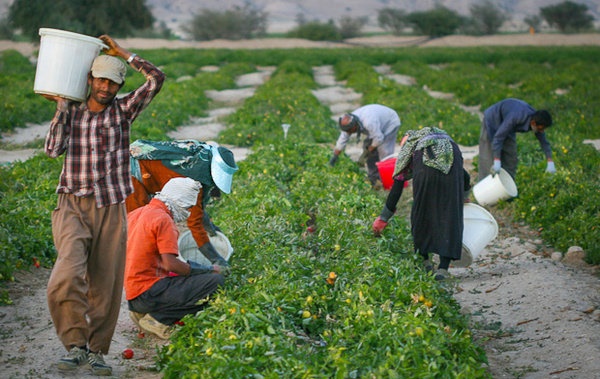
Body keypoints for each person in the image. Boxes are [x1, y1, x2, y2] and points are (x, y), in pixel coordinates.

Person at [43, 35, 165, 376]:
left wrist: (123, 54)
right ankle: (74, 343)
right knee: (65, 275)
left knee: (105, 283)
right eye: (100, 79)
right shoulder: (73, 111)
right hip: (71, 204)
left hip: (111, 206)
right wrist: (61, 108)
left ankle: (95, 350)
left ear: (118, 86)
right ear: (89, 79)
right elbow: (52, 151)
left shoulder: (124, 112)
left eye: (113, 82)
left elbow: (156, 78)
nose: (106, 87)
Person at [125, 177, 226, 340]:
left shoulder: (136, 214)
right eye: (187, 207)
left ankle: (141, 312)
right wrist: (207, 269)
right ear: (178, 201)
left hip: (133, 293)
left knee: (189, 278)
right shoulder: (163, 220)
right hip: (149, 292)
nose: (186, 212)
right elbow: (171, 264)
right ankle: (159, 320)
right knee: (215, 282)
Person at [371, 127, 471, 281]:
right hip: (454, 159)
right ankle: (443, 268)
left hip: (426, 170)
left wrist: (384, 217)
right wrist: (464, 196)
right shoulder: (444, 140)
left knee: (421, 212)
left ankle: (424, 261)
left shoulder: (411, 147)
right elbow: (464, 175)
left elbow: (397, 186)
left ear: (408, 141)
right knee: (450, 213)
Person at [126, 139, 238, 268]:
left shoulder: (201, 155)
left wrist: (210, 227)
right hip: (132, 175)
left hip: (139, 161)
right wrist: (217, 260)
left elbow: (198, 210)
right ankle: (139, 267)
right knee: (140, 223)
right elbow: (195, 224)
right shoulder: (194, 180)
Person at [478, 98, 554, 182]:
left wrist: (550, 161)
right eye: (541, 129)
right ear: (533, 123)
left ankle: (507, 187)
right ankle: (485, 186)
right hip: (492, 121)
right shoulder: (516, 117)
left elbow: (544, 142)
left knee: (511, 159)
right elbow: (498, 138)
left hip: (507, 126)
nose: (542, 131)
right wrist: (497, 160)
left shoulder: (537, 120)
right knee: (488, 159)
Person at [328, 104, 401, 188]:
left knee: (384, 152)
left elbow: (379, 138)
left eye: (350, 131)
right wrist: (335, 155)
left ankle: (390, 182)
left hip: (389, 123)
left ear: (354, 126)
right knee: (370, 152)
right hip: (377, 126)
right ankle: (374, 178)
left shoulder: (369, 122)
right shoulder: (348, 124)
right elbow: (342, 139)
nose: (348, 133)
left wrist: (371, 148)